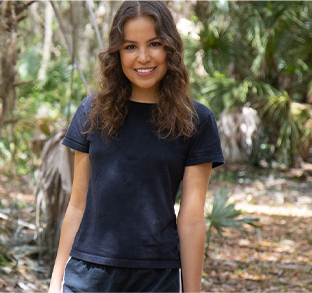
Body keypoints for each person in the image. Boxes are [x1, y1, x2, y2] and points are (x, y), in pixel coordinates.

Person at [48, 1, 224, 292]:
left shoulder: (197, 121)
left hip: (157, 278)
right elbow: (77, 205)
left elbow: (191, 220)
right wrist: (56, 284)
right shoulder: (92, 111)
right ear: (117, 53)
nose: (143, 57)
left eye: (154, 43)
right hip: (87, 276)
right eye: (130, 46)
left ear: (170, 48)